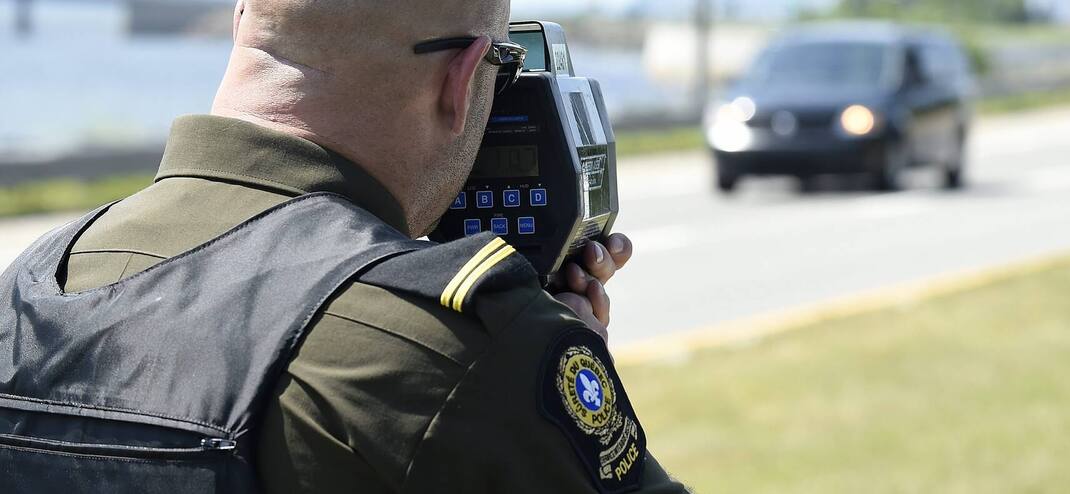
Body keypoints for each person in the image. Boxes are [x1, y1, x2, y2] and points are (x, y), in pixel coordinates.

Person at [0, 0, 689, 492]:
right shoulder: (457, 344)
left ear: (245, 23)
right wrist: (547, 376)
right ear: (462, 78)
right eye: (502, 71)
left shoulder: (28, 287)